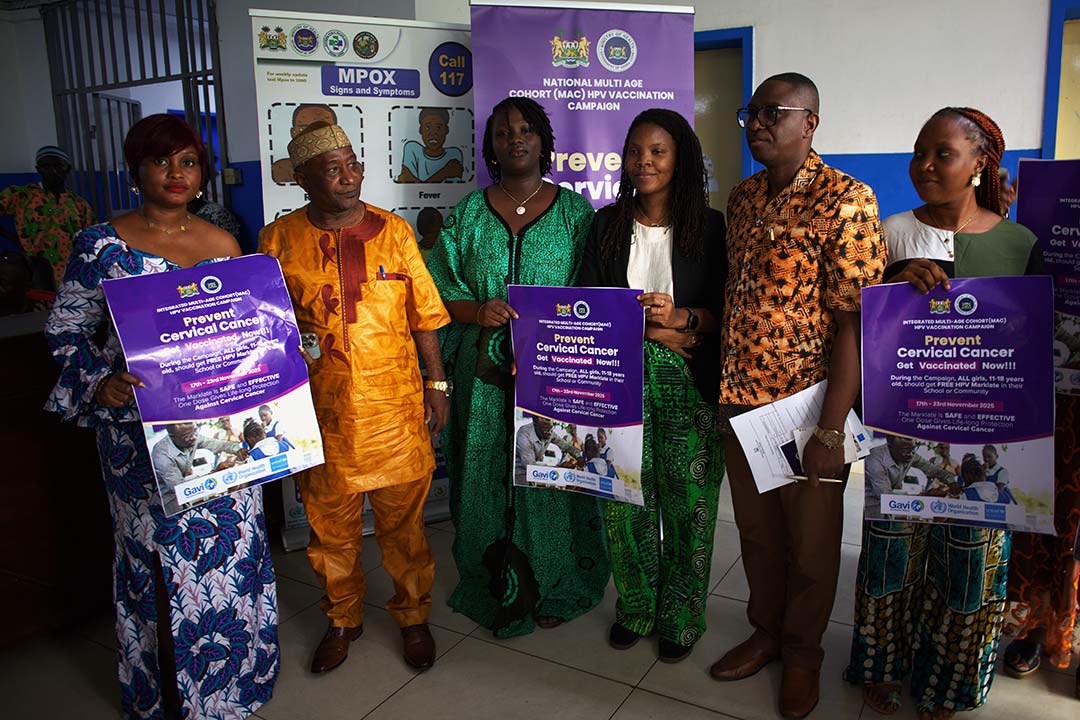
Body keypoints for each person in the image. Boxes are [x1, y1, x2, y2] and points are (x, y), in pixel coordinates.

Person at [43, 114, 278, 719]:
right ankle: (162, 696)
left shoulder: (224, 244)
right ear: (136, 170)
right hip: (136, 439)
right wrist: (99, 383)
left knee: (233, 552)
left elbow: (246, 338)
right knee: (151, 560)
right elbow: (66, 331)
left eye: (188, 162)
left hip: (221, 431)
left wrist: (282, 364)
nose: (176, 173)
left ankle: (235, 687)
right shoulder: (100, 247)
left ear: (202, 174)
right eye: (160, 161)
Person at [844, 107, 1044, 720]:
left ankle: (950, 683)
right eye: (918, 152)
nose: (924, 165)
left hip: (984, 434)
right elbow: (859, 320)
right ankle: (883, 666)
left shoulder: (1018, 243)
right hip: (902, 427)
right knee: (891, 554)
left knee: (969, 563)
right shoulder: (890, 232)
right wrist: (890, 280)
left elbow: (1034, 343)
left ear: (979, 163)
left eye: (942, 154)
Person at [708, 73, 886, 719]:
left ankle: (804, 651)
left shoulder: (847, 199)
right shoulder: (744, 197)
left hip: (808, 407)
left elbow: (855, 323)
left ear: (810, 122)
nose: (756, 124)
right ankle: (766, 632)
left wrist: (831, 429)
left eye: (772, 113)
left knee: (811, 542)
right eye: (750, 113)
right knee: (758, 534)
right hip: (742, 399)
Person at [258, 120, 451, 674]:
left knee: (404, 528)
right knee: (330, 528)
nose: (349, 177)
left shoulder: (394, 231)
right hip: (322, 412)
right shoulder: (277, 241)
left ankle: (412, 615)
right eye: (333, 169)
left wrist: (437, 384)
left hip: (395, 409)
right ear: (302, 179)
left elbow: (424, 317)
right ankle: (342, 617)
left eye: (353, 165)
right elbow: (265, 328)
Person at [427, 96, 609, 638]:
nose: (516, 139)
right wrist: (477, 311)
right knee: (483, 472)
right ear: (491, 145)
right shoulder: (468, 213)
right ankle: (492, 583)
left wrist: (548, 338)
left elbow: (593, 295)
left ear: (544, 141)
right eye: (504, 132)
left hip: (555, 372)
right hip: (482, 377)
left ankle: (557, 582)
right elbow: (436, 291)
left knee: (553, 471)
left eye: (526, 130)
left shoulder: (576, 214)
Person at [575, 108, 726, 662]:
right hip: (619, 378)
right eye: (635, 151)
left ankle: (681, 617)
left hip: (690, 380)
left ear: (679, 159)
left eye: (658, 151)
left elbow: (728, 309)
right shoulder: (606, 225)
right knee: (624, 499)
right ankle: (636, 607)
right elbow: (588, 308)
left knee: (689, 504)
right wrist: (655, 331)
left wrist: (684, 319)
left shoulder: (710, 227)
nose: (644, 161)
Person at [0, 145, 94, 289]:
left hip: (71, 270)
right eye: (46, 166)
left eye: (58, 166)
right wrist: (13, 239)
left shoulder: (79, 204)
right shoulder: (21, 195)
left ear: (67, 168)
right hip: (35, 269)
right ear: (38, 169)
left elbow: (90, 237)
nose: (52, 171)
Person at [150, 421, 247, 515]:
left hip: (184, 492)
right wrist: (214, 473)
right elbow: (180, 489)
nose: (193, 438)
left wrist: (237, 449)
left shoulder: (192, 436)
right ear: (172, 436)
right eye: (187, 436)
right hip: (168, 500)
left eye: (195, 432)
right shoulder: (161, 455)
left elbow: (216, 444)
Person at [863, 435, 956, 505]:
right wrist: (924, 496)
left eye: (912, 449)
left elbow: (934, 470)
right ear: (890, 447)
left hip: (889, 503)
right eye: (904, 450)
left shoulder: (909, 455)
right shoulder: (875, 460)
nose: (910, 454)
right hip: (870, 505)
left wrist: (951, 482)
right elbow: (885, 496)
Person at [270, 104, 337, 182]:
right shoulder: (281, 170)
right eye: (304, 128)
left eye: (323, 128)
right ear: (293, 133)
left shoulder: (347, 168)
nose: (314, 134)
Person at [397, 107, 464, 183]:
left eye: (438, 127)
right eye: (427, 127)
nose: (433, 133)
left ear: (446, 130)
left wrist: (414, 180)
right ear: (420, 130)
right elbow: (408, 184)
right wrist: (444, 173)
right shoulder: (412, 148)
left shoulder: (454, 154)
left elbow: (452, 188)